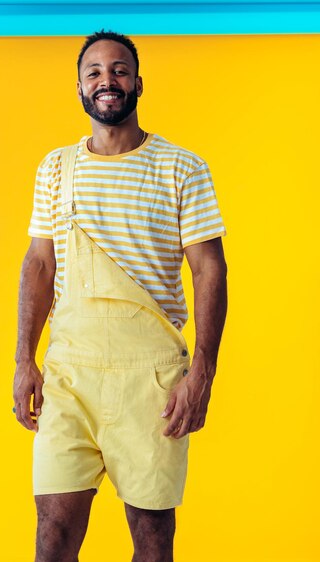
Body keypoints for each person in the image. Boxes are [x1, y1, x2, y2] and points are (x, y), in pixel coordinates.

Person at [13, 30, 228, 562]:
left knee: (153, 540)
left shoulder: (182, 167)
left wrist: (203, 370)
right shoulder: (56, 168)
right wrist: (24, 359)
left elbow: (209, 268)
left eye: (119, 70)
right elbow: (39, 264)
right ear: (80, 88)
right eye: (94, 72)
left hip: (151, 379)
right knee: (53, 535)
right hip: (70, 373)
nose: (107, 80)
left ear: (138, 83)